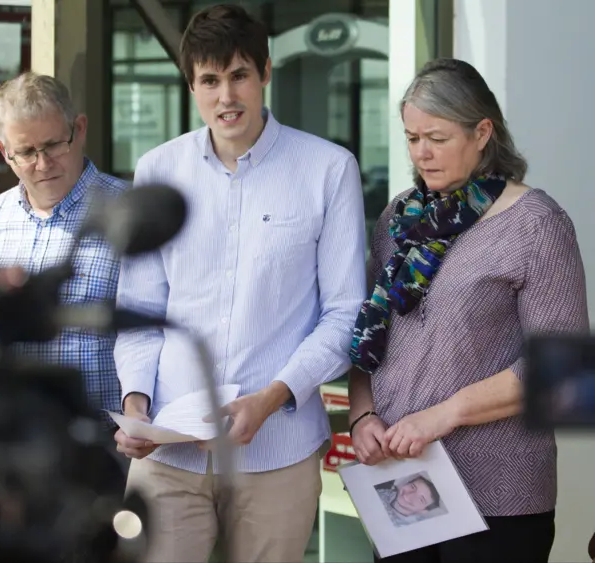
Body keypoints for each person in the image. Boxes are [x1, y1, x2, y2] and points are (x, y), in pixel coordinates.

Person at [113, 4, 366, 562]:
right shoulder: (158, 170)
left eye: (238, 76)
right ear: (192, 85)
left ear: (265, 73)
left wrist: (272, 399)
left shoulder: (328, 169)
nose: (225, 97)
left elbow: (345, 312)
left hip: (277, 453)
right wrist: (136, 404)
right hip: (167, 452)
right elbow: (138, 309)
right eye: (209, 80)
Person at [348, 58, 589, 563]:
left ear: (483, 132)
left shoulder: (536, 224)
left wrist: (441, 416)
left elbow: (562, 373)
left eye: (436, 137)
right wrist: (362, 415)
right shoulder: (399, 217)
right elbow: (371, 336)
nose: (422, 154)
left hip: (499, 494)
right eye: (412, 138)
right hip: (402, 482)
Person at [0, 72, 128, 431]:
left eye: (53, 146)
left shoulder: (127, 214)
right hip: (4, 449)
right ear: (3, 151)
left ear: (79, 130)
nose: (43, 163)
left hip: (108, 447)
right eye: (26, 152)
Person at [375, 475, 442, 527]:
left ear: (423, 511)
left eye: (421, 499)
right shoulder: (384, 487)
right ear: (406, 483)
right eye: (412, 487)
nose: (408, 496)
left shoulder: (408, 529)